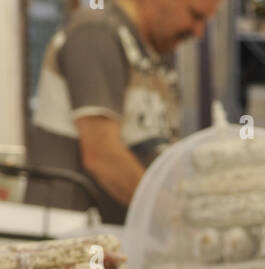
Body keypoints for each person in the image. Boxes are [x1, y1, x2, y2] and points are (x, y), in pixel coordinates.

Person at [26, 0, 222, 223]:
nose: (198, 32)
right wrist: (178, 217)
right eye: (195, 16)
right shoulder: (96, 34)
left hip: (114, 237)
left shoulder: (150, 51)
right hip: (71, 235)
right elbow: (103, 156)